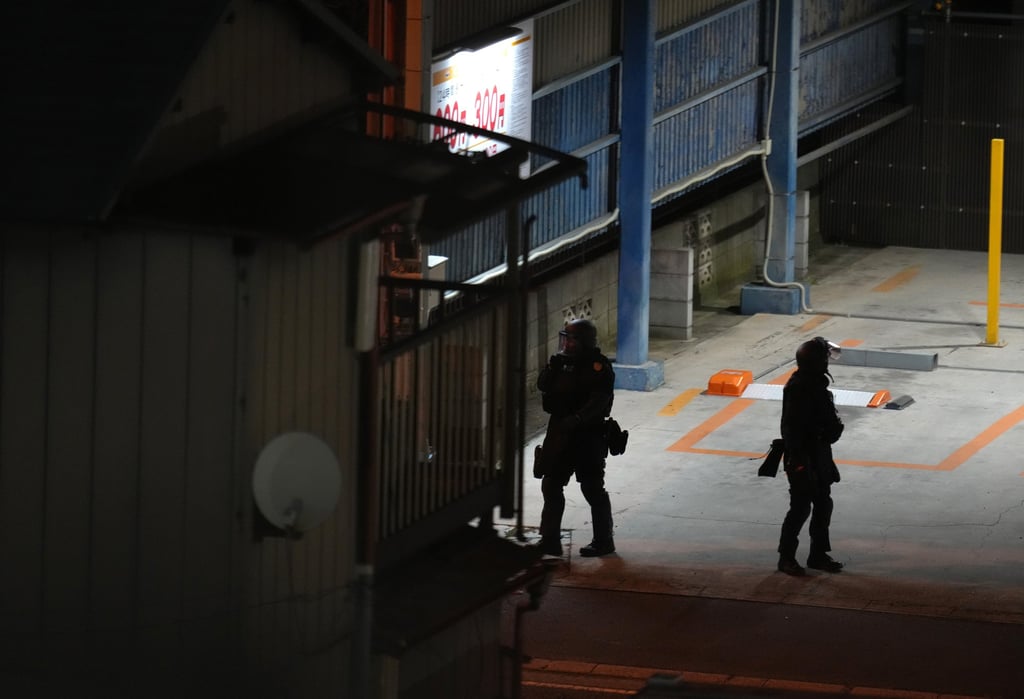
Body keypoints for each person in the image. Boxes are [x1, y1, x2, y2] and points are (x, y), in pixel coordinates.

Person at [535, 319, 616, 557]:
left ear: (585, 341)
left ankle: (604, 540)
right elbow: (543, 385)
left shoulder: (598, 367)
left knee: (592, 488)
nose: (567, 343)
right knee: (551, 485)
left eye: (572, 339)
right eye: (565, 338)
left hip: (587, 436)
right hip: (559, 433)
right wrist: (551, 367)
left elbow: (600, 400)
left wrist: (578, 419)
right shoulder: (560, 363)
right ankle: (550, 540)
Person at [777, 336, 845, 575]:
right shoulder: (800, 388)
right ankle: (786, 557)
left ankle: (818, 554)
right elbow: (792, 429)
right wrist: (798, 462)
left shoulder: (814, 384)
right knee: (800, 507)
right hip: (802, 456)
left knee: (823, 504)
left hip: (818, 453)